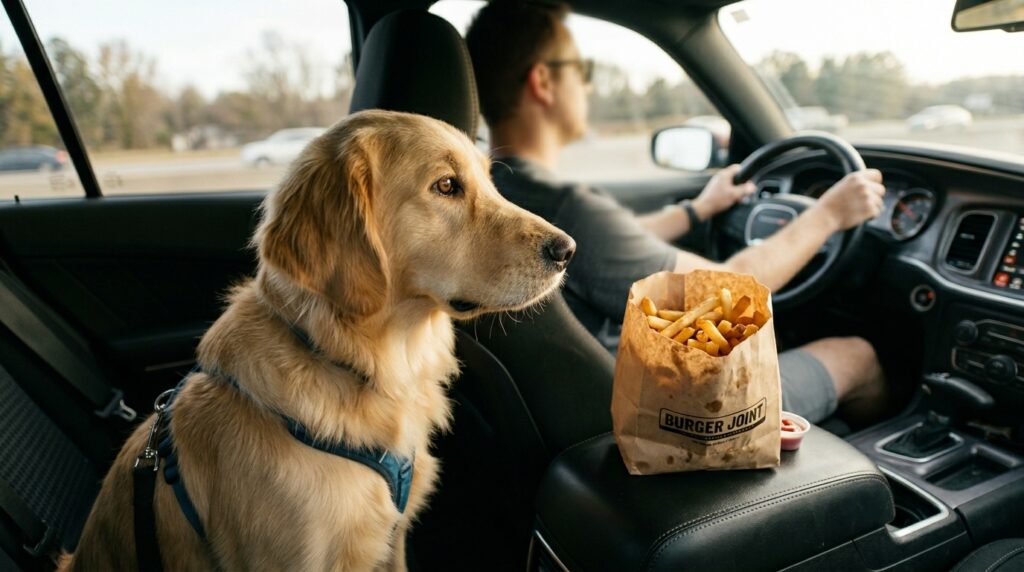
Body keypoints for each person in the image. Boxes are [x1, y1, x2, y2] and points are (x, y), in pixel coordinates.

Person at [465, 1, 887, 425]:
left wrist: (697, 210)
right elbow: (729, 298)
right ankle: (859, 480)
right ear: (543, 81)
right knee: (858, 356)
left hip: (564, 418)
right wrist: (829, 215)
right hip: (668, 421)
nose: (589, 88)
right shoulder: (566, 208)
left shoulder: (500, 191)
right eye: (582, 72)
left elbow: (607, 253)